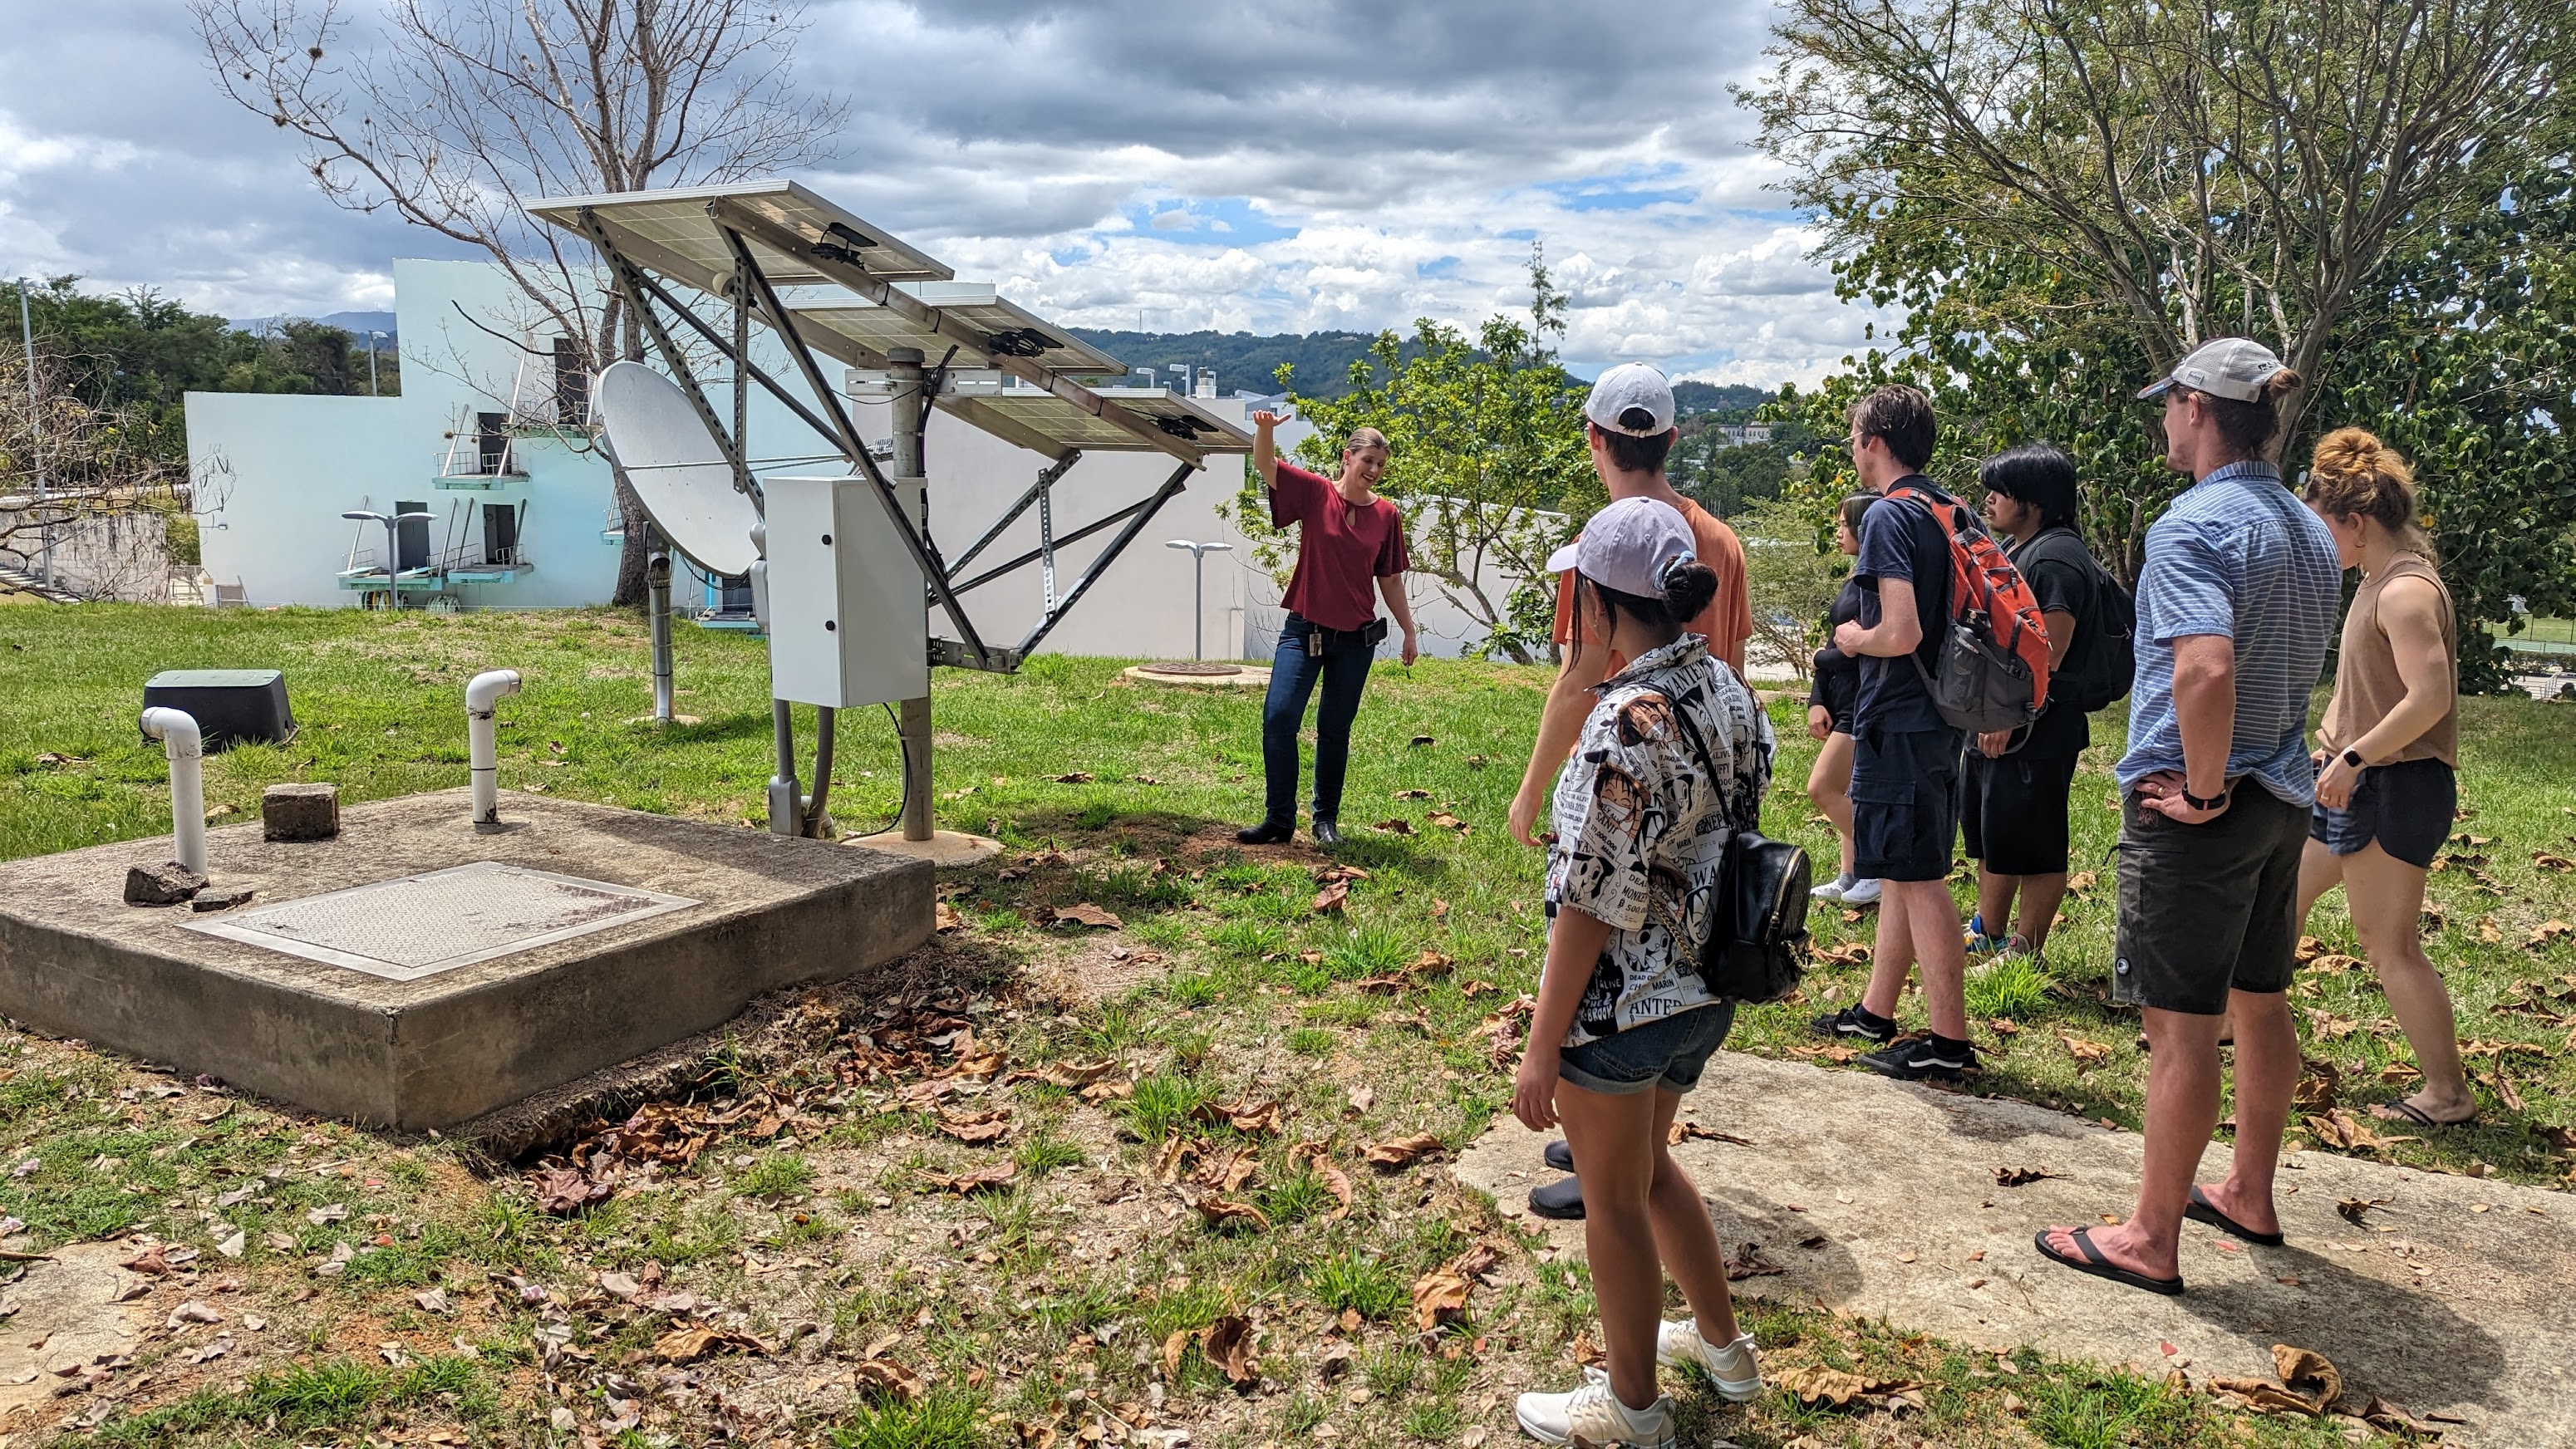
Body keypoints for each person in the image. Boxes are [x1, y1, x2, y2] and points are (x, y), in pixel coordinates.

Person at [2036, 337, 2337, 1295]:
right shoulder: (2306, 527)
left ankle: (2148, 1237)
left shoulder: (2191, 526)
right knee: (2258, 1002)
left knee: (2181, 1027)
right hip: (2283, 796)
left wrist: (2201, 788)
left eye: (2168, 403)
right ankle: (2248, 1187)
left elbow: (2203, 668)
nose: (2163, 419)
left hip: (2204, 807)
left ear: (2198, 409)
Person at [1507, 496, 1774, 1447]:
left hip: (1622, 1010)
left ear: (1594, 597)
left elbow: (1589, 899)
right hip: (1706, 990)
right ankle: (1723, 1351)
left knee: (1613, 1199)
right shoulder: (1730, 691)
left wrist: (1542, 1049)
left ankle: (1631, 1410)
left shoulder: (1621, 721)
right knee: (1653, 1170)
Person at [1508, 362, 1754, 1222]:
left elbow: (1580, 675)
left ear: (1594, 440)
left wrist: (1535, 787)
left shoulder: (1606, 547)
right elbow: (1736, 665)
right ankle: (1621, 1148)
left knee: (1613, 979)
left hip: (1625, 791)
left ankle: (1602, 1159)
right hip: (1702, 810)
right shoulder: (1716, 540)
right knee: (1652, 1133)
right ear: (1673, 439)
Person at [2296, 429, 2470, 1127]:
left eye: (2323, 531)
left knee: (2388, 945)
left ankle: (2448, 1094)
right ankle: (2232, 1020)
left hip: (2395, 786)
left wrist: (2355, 757)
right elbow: (2368, 688)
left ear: (2357, 524)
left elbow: (2430, 697)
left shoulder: (2404, 593)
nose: (2320, 546)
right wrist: (2334, 749)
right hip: (2352, 779)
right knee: (2279, 899)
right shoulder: (2374, 582)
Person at [1804, 385, 1977, 1082]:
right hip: (1943, 711)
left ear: (1874, 442)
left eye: (1854, 437)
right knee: (1904, 871)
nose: (1852, 450)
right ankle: (1876, 1011)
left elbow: (1900, 631)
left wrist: (1853, 636)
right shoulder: (1952, 509)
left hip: (1900, 715)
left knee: (1920, 876)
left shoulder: (1886, 518)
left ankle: (1949, 1041)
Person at [1237, 412, 1420, 847]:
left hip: (1356, 641)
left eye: (1381, 465)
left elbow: (1390, 578)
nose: (1374, 471)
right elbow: (1265, 465)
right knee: (1279, 718)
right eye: (1368, 461)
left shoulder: (1386, 515)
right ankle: (1280, 819)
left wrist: (1409, 632)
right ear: (1347, 458)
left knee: (1335, 730)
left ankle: (1325, 822)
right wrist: (1265, 429)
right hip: (1304, 631)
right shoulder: (1317, 494)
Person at [1959, 445, 2099, 961]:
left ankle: (2025, 948)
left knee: (2035, 840)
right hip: (2009, 722)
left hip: (2036, 726)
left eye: (2002, 490)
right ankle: (1989, 930)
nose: (1989, 500)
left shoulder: (2056, 557)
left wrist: (2007, 714)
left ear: (2035, 501)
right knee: (1999, 830)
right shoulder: (2024, 550)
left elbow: (2052, 648)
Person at [1807, 494, 1880, 906]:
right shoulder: (1854, 579)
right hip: (1839, 701)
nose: (1838, 532)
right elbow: (1834, 645)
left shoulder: (1875, 586)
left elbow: (1853, 651)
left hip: (1860, 704)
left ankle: (1879, 868)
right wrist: (1817, 699)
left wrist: (1820, 657)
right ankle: (1851, 875)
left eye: (1843, 524)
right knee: (1848, 792)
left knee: (1822, 788)